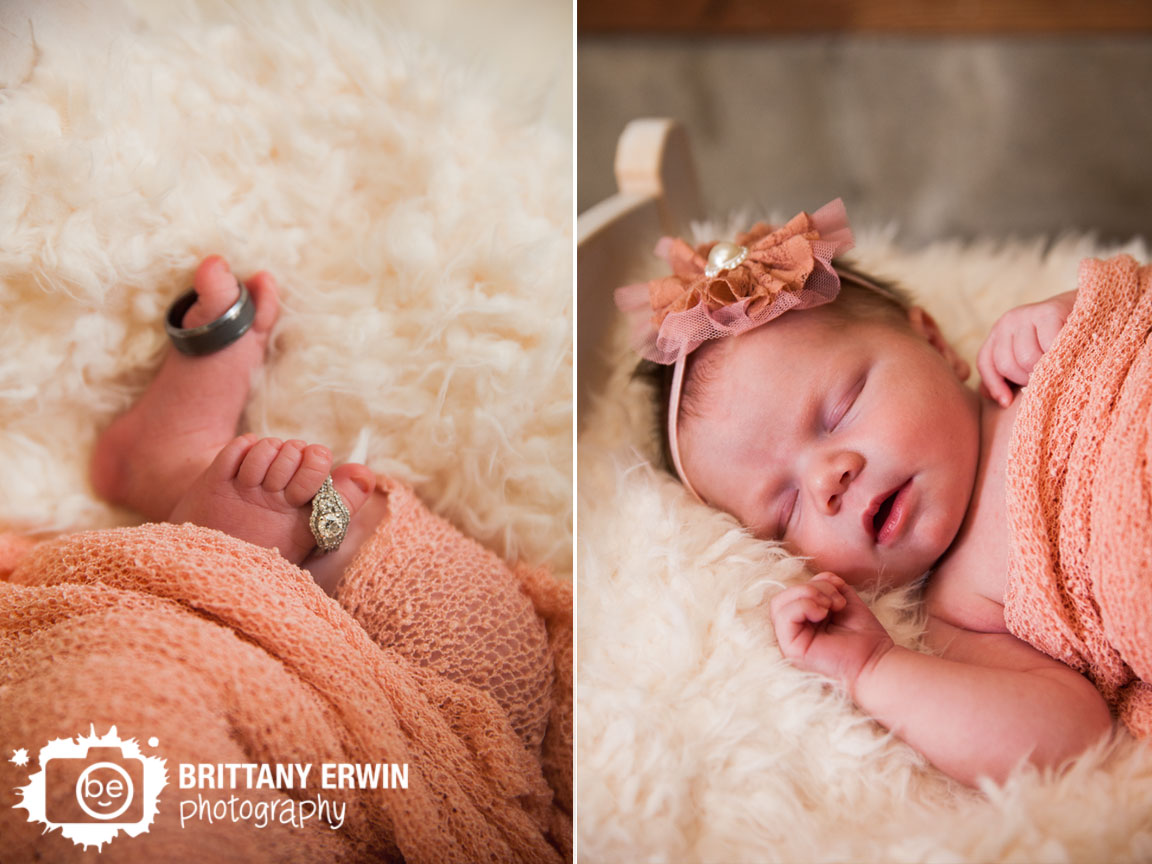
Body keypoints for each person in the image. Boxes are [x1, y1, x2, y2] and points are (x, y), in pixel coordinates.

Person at [616, 199, 1113, 787]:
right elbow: (1067, 734)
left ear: (934, 341)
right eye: (786, 509)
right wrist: (873, 668)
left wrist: (1083, 311)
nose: (828, 481)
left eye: (839, 411)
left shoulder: (1033, 359)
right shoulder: (959, 615)